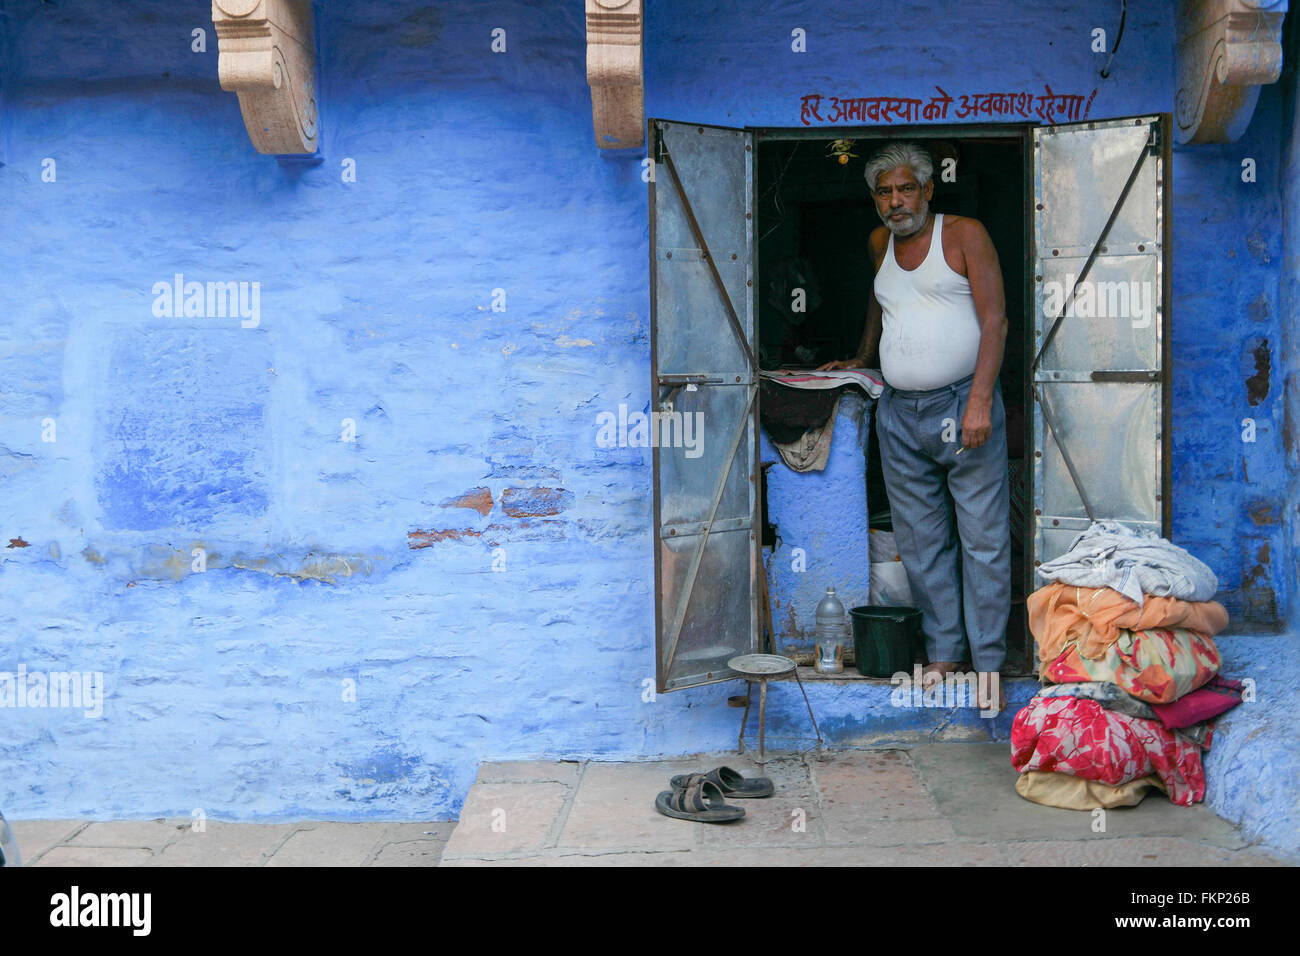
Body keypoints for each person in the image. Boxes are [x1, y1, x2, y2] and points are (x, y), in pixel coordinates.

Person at [819, 142, 1009, 711]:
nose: (896, 201)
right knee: (922, 544)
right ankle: (946, 652)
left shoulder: (964, 233)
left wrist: (979, 402)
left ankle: (991, 662)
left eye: (906, 189)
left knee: (983, 539)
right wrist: (862, 356)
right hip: (899, 412)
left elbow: (996, 319)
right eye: (884, 191)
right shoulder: (880, 242)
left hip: (961, 404)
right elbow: (885, 302)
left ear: (928, 190)